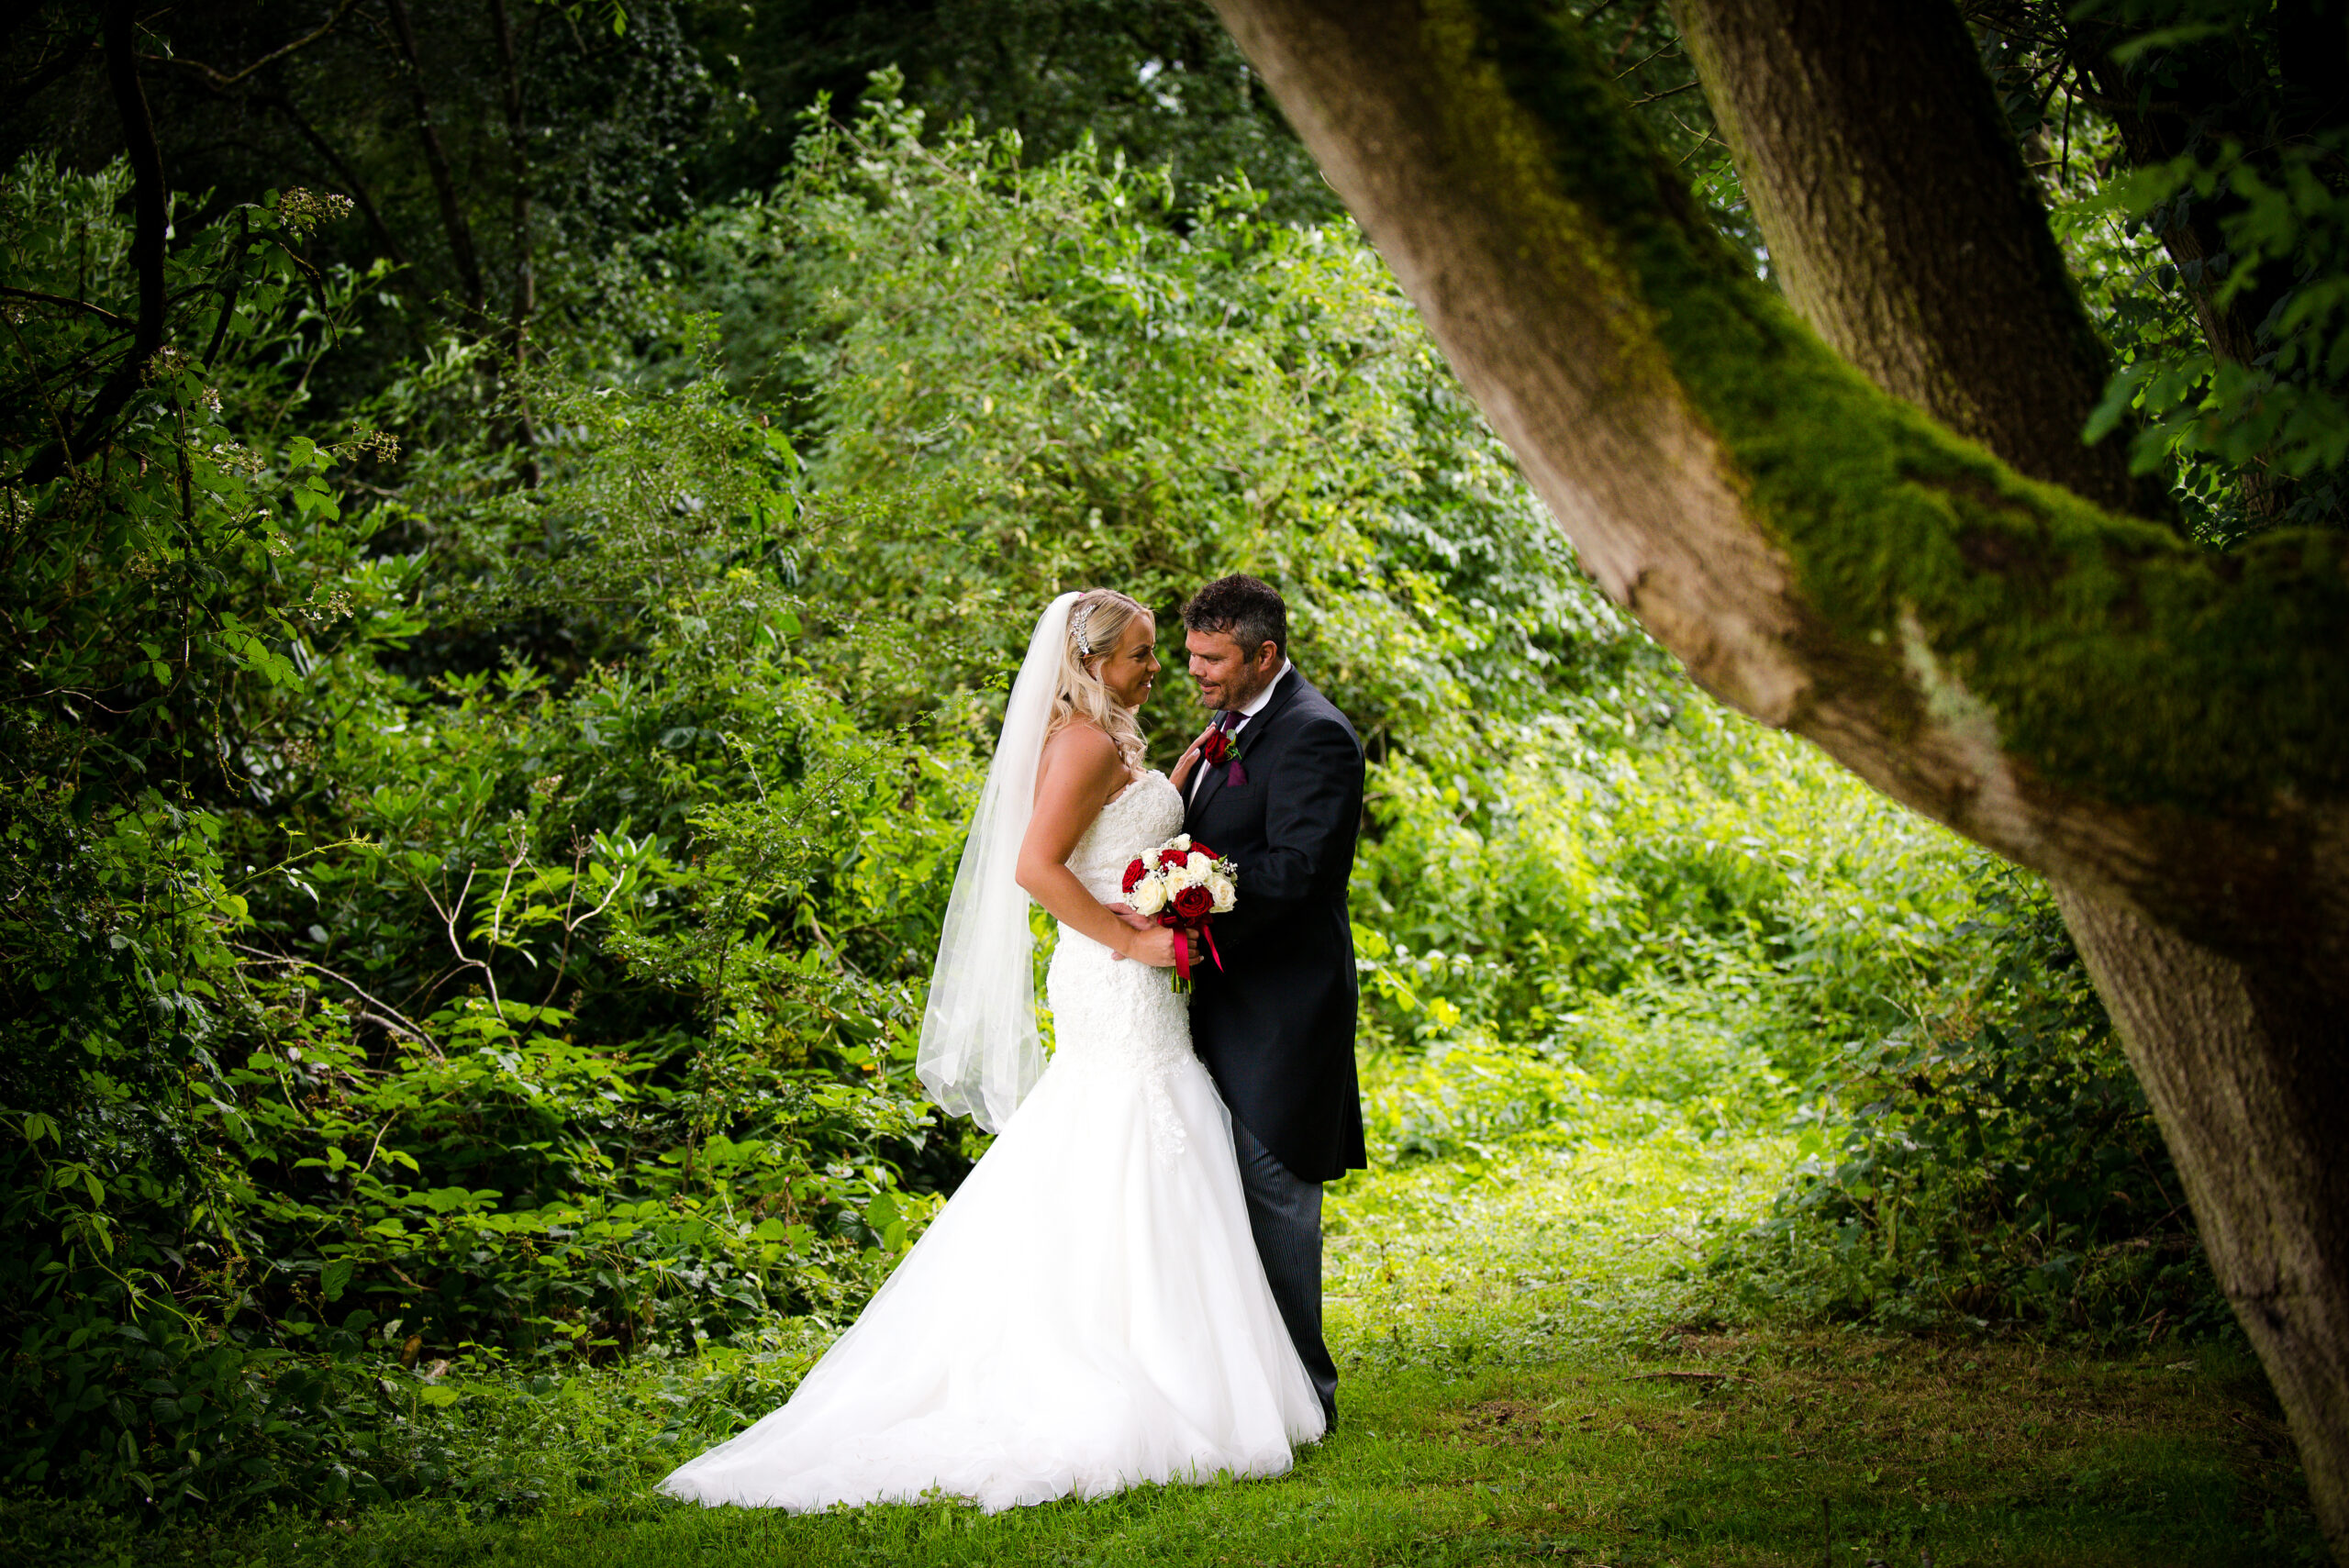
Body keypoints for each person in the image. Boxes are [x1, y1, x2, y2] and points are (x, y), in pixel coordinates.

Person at [658, 587, 1326, 1513]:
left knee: (1135, 1130)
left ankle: (1157, 1342)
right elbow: (1035, 864)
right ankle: (1120, 1356)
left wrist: (1172, 822)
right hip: (1113, 974)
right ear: (1092, 664)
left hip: (1134, 979)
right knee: (1125, 1123)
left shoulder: (1109, 736)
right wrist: (1127, 939)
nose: (1155, 667)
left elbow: (1120, 830)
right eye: (1138, 653)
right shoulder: (1085, 741)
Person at [1165, 574, 1367, 1432]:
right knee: (1218, 1195)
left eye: (1212, 659)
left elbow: (1298, 872)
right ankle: (1247, 1390)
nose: (1197, 673)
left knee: (1277, 1190)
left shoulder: (1315, 735)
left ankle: (1305, 1398)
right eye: (1190, 656)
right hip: (1216, 1001)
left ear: (1265, 655)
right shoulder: (1228, 727)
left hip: (1282, 1008)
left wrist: (1188, 909)